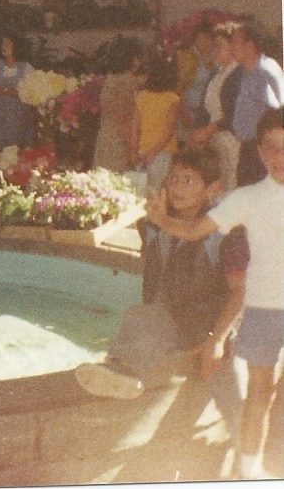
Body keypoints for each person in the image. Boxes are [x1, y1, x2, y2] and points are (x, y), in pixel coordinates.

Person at [146, 107, 284, 480]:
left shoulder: (235, 218)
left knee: (257, 401)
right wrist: (159, 220)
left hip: (245, 320)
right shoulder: (246, 200)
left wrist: (215, 339)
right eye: (271, 147)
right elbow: (190, 237)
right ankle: (251, 471)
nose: (279, 157)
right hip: (249, 315)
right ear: (259, 151)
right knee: (259, 395)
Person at [74, 147, 245, 435]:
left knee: (237, 409)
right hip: (177, 324)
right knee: (140, 317)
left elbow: (240, 292)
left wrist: (215, 341)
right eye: (173, 178)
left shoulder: (226, 232)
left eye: (189, 180)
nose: (177, 188)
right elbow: (158, 285)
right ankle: (121, 370)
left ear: (212, 189)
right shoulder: (155, 226)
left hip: (221, 331)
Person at [223, 18, 284, 187]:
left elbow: (279, 110)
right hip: (248, 149)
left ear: (250, 45)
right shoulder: (244, 73)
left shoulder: (266, 72)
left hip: (265, 151)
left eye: (235, 42)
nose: (231, 47)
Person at [185, 27, 243, 194]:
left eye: (219, 46)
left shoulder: (239, 73)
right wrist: (196, 131)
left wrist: (209, 130)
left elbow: (235, 113)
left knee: (231, 187)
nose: (214, 50)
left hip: (232, 141)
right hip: (214, 140)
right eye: (214, 46)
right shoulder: (217, 73)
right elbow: (205, 108)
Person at [92, 38, 144, 173]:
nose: (139, 61)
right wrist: (134, 149)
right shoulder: (125, 82)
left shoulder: (111, 79)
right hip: (118, 144)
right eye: (136, 57)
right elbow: (123, 119)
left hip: (106, 138)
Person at [132, 55, 181, 190]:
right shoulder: (172, 98)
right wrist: (154, 151)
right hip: (164, 152)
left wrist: (133, 152)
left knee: (144, 192)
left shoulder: (141, 97)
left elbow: (135, 129)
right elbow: (170, 129)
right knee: (162, 191)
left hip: (143, 151)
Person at [0, 34, 35, 151]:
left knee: (16, 147)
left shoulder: (27, 67)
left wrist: (2, 90)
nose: (4, 46)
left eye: (7, 43)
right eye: (2, 43)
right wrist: (8, 91)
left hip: (18, 115)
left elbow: (28, 90)